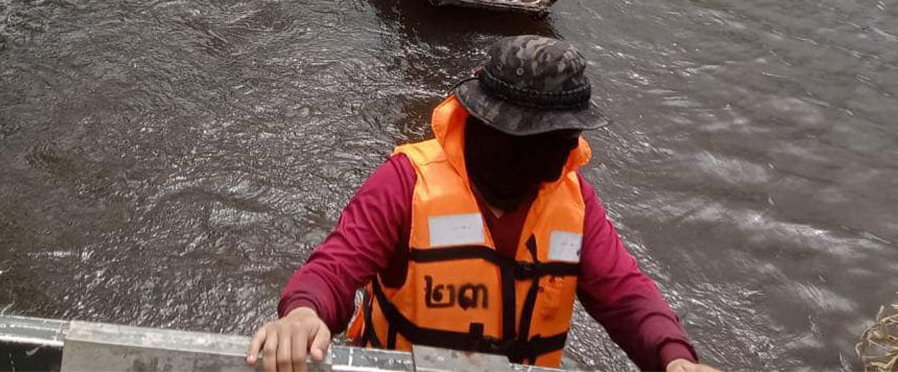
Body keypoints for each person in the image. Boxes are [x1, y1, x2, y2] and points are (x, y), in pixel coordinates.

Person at [246, 36, 719, 372]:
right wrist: (303, 314)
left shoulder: (571, 198)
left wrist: (673, 356)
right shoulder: (406, 183)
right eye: (525, 140)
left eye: (557, 143)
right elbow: (332, 268)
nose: (545, 162)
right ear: (482, 123)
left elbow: (625, 295)